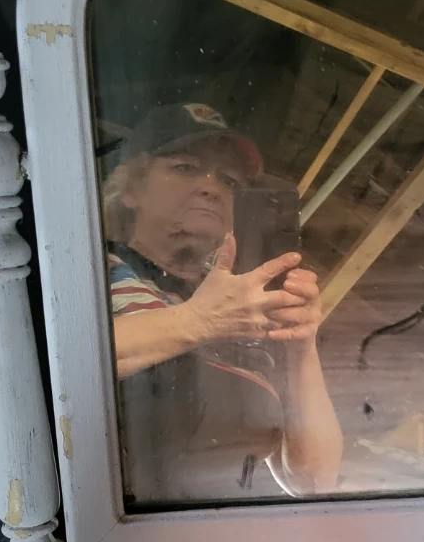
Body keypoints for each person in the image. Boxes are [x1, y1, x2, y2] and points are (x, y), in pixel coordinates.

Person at [103, 102, 343, 500]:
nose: (211, 187)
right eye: (185, 167)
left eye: (229, 181)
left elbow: (314, 481)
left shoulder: (245, 314)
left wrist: (302, 346)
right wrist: (199, 322)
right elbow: (58, 371)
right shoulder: (90, 269)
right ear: (130, 188)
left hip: (221, 530)